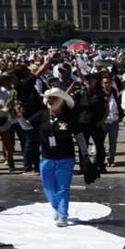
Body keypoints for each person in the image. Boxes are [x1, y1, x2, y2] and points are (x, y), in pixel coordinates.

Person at [37, 88, 82, 226]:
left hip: (65, 158)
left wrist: (85, 155)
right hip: (46, 158)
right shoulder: (42, 115)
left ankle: (63, 215)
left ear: (62, 101)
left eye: (54, 98)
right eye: (49, 98)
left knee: (63, 188)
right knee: (48, 186)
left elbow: (79, 136)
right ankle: (56, 206)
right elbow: (27, 127)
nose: (50, 101)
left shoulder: (70, 117)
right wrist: (19, 117)